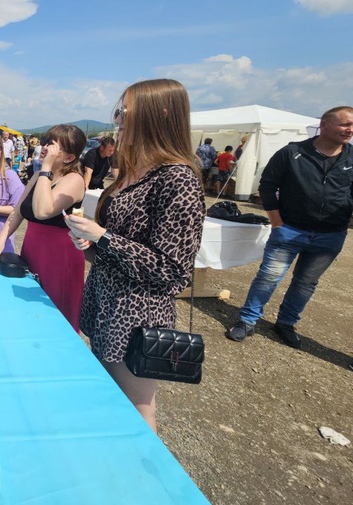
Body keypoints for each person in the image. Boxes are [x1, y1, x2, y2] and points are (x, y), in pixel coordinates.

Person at [65, 79, 205, 433]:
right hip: (107, 303)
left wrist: (104, 237)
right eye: (118, 112)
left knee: (137, 410)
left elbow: (173, 270)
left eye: (125, 112)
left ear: (157, 114)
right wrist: (92, 242)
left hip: (138, 315)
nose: (118, 120)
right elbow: (121, 242)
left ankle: (144, 481)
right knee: (108, 396)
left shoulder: (177, 178)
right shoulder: (135, 168)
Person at [226, 106, 353, 349]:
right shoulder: (293, 152)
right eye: (344, 124)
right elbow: (267, 186)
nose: (350, 130)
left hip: (330, 235)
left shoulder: (351, 157)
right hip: (290, 229)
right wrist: (277, 222)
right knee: (268, 277)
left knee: (306, 283)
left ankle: (286, 323)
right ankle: (247, 321)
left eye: (352, 126)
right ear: (324, 125)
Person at [0, 124, 87, 330]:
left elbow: (44, 210)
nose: (43, 148)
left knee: (55, 316)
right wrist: (1, 239)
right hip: (33, 248)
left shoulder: (74, 180)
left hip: (59, 256)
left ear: (69, 157)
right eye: (45, 142)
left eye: (51, 146)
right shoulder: (38, 176)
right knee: (29, 310)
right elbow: (18, 212)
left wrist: (45, 170)